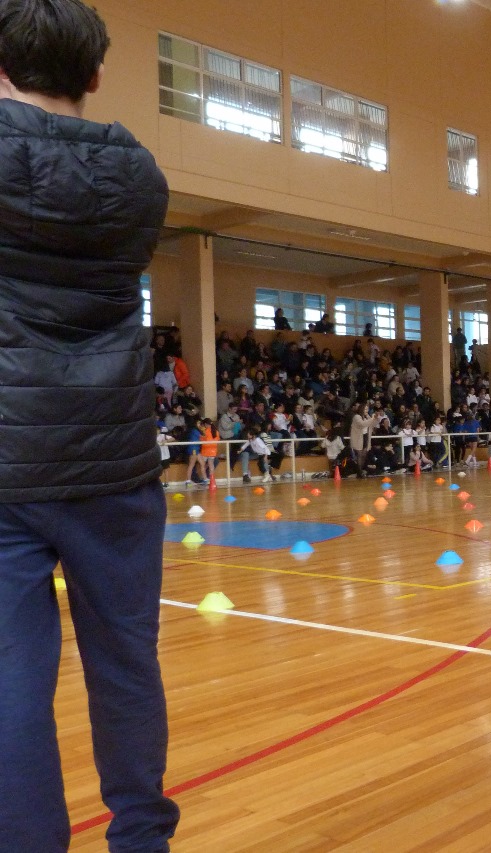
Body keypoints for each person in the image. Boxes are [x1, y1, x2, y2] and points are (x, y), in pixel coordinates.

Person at [0, 4, 180, 849]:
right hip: (115, 462)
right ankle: (143, 838)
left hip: (8, 460)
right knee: (126, 665)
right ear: (97, 74)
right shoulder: (140, 175)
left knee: (10, 681)